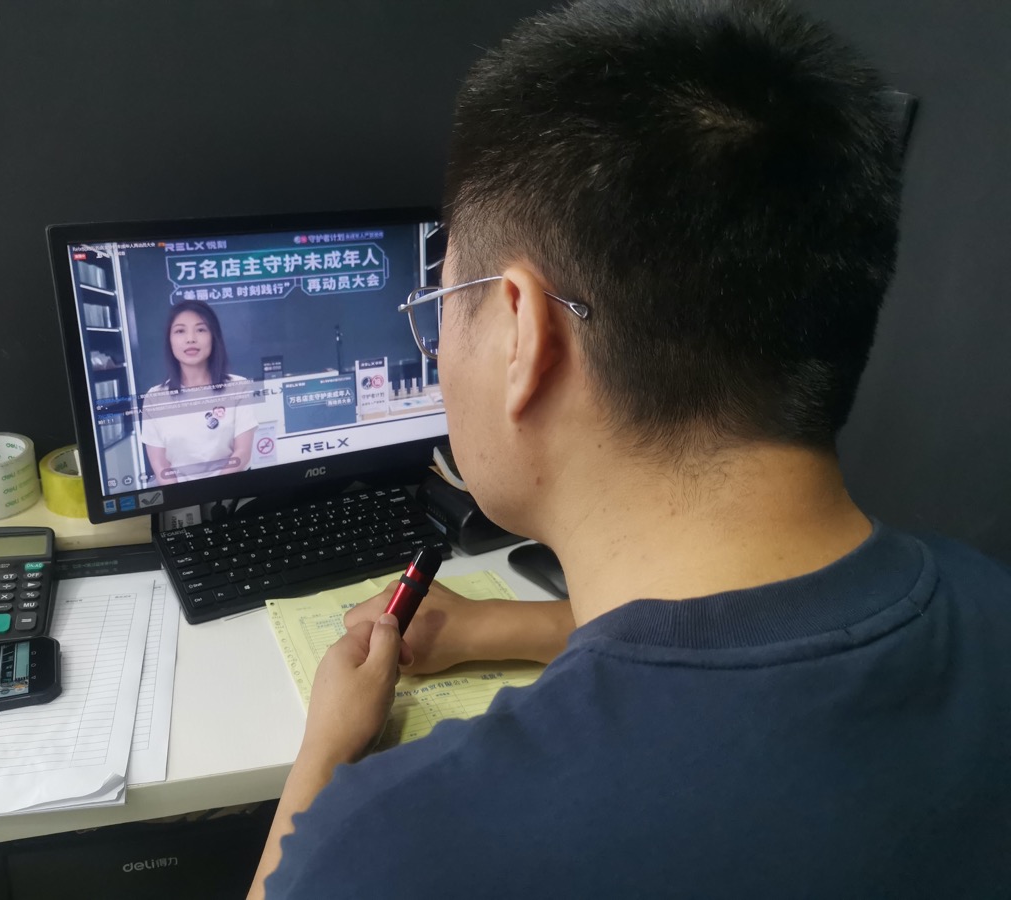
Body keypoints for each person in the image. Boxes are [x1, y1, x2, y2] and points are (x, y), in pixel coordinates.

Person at [248, 0, 1011, 897]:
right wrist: (507, 627)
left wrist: (326, 748)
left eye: (442, 304)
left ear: (523, 333)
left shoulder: (393, 845)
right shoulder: (987, 601)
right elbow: (738, 649)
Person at [140, 300, 259, 482]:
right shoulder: (155, 398)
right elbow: (160, 465)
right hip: (180, 495)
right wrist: (183, 496)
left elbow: (242, 453)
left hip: (231, 489)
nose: (190, 339)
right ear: (169, 340)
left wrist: (212, 491)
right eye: (180, 331)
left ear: (213, 337)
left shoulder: (238, 387)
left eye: (201, 329)